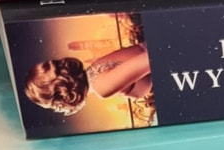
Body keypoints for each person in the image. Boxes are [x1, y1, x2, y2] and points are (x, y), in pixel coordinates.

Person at [22, 40, 153, 118]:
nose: (59, 110)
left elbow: (153, 57)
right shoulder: (95, 67)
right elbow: (144, 50)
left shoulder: (101, 87)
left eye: (53, 106)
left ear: (61, 95)